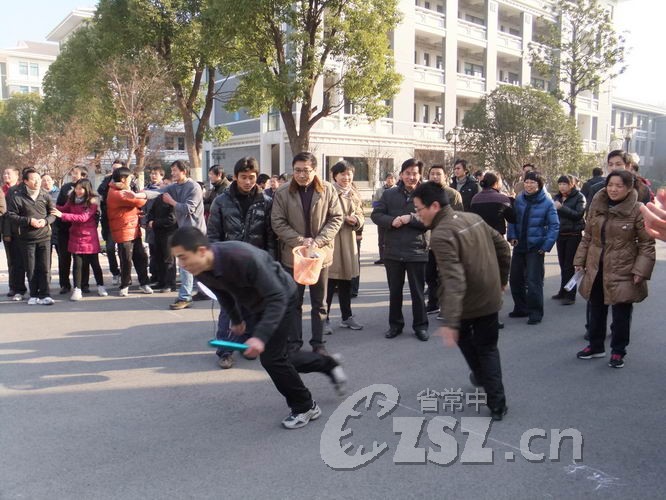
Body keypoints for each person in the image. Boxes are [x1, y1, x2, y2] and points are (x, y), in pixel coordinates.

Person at [170, 227, 347, 429]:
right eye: (177, 259)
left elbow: (277, 297)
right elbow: (223, 293)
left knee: (273, 359)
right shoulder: (200, 268)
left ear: (201, 251)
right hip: (255, 303)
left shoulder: (242, 257)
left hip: (281, 298)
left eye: (183, 257)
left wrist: (260, 337)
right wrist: (236, 319)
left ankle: (305, 406)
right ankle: (329, 364)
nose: (181, 265)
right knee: (284, 358)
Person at [413, 182, 511, 421]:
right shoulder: (472, 218)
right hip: (490, 295)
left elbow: (453, 279)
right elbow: (503, 247)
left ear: (434, 206)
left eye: (418, 209)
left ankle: (485, 381)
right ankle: (497, 404)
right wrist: (501, 280)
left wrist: (451, 321)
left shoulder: (441, 234)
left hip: (468, 302)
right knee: (488, 348)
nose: (417, 214)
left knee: (473, 344)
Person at [574, 170, 655, 368]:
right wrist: (580, 260)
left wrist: (640, 271)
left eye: (619, 186)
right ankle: (595, 346)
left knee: (621, 314)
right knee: (596, 309)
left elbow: (647, 244)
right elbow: (588, 237)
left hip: (623, 268)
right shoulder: (597, 205)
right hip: (597, 267)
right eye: (610, 185)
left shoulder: (638, 209)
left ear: (629, 188)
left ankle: (618, 351)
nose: (613, 189)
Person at [207, 156, 276, 368]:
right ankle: (225, 351)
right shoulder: (221, 201)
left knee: (252, 307)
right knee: (229, 309)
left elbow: (270, 237)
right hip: (228, 265)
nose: (248, 181)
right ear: (235, 177)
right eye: (243, 177)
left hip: (255, 265)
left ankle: (247, 344)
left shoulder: (266, 202)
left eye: (252, 177)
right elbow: (213, 235)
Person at [271, 152, 343, 355]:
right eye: (297, 170)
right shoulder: (283, 191)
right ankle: (294, 343)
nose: (302, 175)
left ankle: (318, 343)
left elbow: (336, 217)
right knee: (294, 302)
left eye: (306, 170)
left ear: (315, 170)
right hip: (294, 256)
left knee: (320, 303)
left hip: (319, 256)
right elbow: (277, 222)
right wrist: (300, 241)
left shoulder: (327, 189)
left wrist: (318, 242)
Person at [127, 160, 207, 309]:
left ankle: (185, 297)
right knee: (193, 264)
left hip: (195, 232)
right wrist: (136, 195)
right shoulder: (174, 186)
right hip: (183, 231)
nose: (172, 173)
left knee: (185, 265)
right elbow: (157, 192)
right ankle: (202, 291)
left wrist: (171, 202)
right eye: (172, 170)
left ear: (184, 171)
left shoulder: (194, 187)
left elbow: (188, 209)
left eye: (175, 170)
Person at [371, 158, 429, 341]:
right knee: (395, 291)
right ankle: (395, 325)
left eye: (415, 173)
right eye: (407, 173)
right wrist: (391, 221)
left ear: (420, 175)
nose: (411, 177)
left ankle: (421, 326)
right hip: (393, 251)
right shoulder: (389, 194)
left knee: (417, 292)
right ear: (401, 174)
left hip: (417, 250)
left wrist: (410, 219)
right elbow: (376, 215)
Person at [507, 171, 559, 325]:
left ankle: (535, 312)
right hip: (519, 245)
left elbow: (554, 226)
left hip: (535, 247)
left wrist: (546, 245)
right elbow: (512, 219)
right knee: (515, 279)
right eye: (526, 182)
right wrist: (512, 235)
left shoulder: (547, 202)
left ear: (539, 185)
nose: (528, 185)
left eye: (532, 182)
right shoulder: (519, 199)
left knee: (533, 281)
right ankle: (520, 308)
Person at [5, 168, 56, 305]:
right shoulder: (17, 197)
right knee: (31, 268)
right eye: (34, 179)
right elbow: (11, 215)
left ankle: (45, 294)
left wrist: (46, 221)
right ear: (26, 181)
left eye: (38, 179)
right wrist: (28, 221)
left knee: (44, 267)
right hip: (27, 239)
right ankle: (33, 294)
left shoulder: (45, 195)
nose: (37, 182)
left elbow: (53, 214)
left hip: (44, 237)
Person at [325, 161, 364, 333]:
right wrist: (342, 219)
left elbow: (360, 213)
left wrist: (357, 220)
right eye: (342, 174)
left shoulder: (353, 193)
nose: (346, 177)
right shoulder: (327, 191)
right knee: (330, 281)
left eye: (349, 174)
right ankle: (323, 319)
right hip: (332, 241)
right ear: (335, 176)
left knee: (346, 281)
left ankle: (346, 317)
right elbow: (322, 215)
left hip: (349, 241)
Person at [52, 179, 108, 300]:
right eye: (76, 188)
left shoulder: (92, 201)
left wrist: (62, 215)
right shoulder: (72, 199)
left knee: (94, 263)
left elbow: (83, 218)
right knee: (77, 264)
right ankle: (77, 289)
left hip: (89, 237)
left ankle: (100, 285)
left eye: (81, 189)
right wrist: (52, 207)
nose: (78, 191)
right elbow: (64, 208)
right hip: (75, 236)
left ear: (87, 189)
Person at [106, 167, 153, 296]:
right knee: (126, 259)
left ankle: (144, 283)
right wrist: (142, 194)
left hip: (133, 228)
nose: (131, 180)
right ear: (123, 179)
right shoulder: (117, 193)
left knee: (141, 257)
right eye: (130, 177)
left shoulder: (122, 190)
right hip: (123, 230)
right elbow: (140, 201)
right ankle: (125, 285)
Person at [425, 164, 463, 315]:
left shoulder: (453, 194)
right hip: (428, 241)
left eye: (438, 174)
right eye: (432, 174)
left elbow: (458, 217)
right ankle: (433, 303)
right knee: (430, 275)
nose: (435, 176)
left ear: (445, 176)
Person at [55, 166, 91, 294]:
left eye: (76, 173)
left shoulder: (88, 189)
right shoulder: (65, 188)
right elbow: (60, 206)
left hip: (81, 230)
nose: (73, 175)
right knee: (64, 258)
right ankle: (65, 284)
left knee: (82, 259)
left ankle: (83, 284)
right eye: (72, 173)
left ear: (83, 176)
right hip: (65, 229)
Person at [552, 175, 586, 305]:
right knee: (562, 264)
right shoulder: (557, 197)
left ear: (571, 185)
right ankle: (563, 290)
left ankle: (570, 294)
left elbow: (578, 215)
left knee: (569, 266)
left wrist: (561, 208)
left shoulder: (579, 197)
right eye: (560, 184)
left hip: (573, 234)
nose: (562, 187)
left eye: (564, 184)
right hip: (560, 234)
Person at [98, 160, 131, 285]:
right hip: (109, 221)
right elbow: (100, 195)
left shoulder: (129, 182)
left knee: (124, 251)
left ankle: (125, 275)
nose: (115, 172)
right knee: (110, 248)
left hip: (124, 222)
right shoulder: (106, 182)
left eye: (117, 169)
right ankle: (115, 272)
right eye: (113, 169)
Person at [2, 167, 27, 300]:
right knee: (12, 261)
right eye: (4, 173)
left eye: (8, 173)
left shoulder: (20, 190)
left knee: (22, 260)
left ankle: (24, 287)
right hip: (8, 231)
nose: (5, 175)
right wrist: (6, 232)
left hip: (22, 229)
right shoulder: (2, 190)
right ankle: (14, 287)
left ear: (17, 176)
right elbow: (5, 215)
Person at [469, 170, 515, 236]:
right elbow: (512, 219)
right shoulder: (502, 199)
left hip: (479, 236)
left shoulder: (475, 198)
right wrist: (512, 202)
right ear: (496, 183)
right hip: (497, 237)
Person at [372, 172, 396, 265]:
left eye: (392, 178)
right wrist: (383, 206)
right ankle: (382, 258)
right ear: (386, 179)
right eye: (389, 178)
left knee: (392, 239)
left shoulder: (398, 190)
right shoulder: (379, 191)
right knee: (381, 239)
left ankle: (391, 258)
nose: (390, 180)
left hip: (393, 218)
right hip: (382, 218)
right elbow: (374, 203)